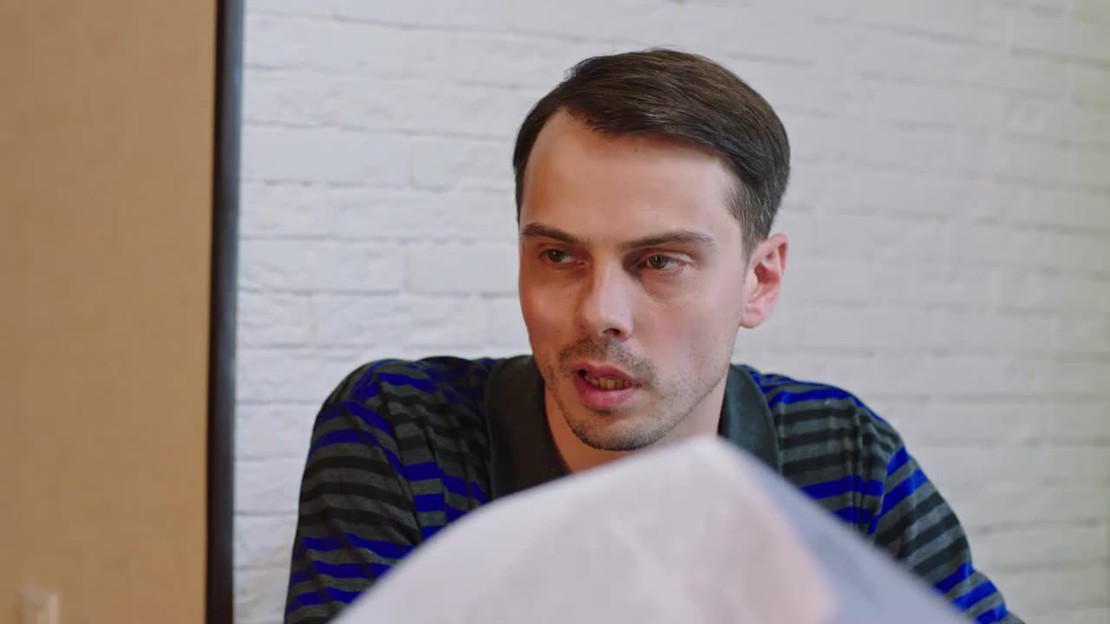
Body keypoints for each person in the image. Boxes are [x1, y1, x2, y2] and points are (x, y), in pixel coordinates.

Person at [283, 49, 1020, 624]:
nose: (600, 312)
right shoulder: (404, 432)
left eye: (660, 262)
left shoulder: (845, 455)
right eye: (558, 256)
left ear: (759, 281)